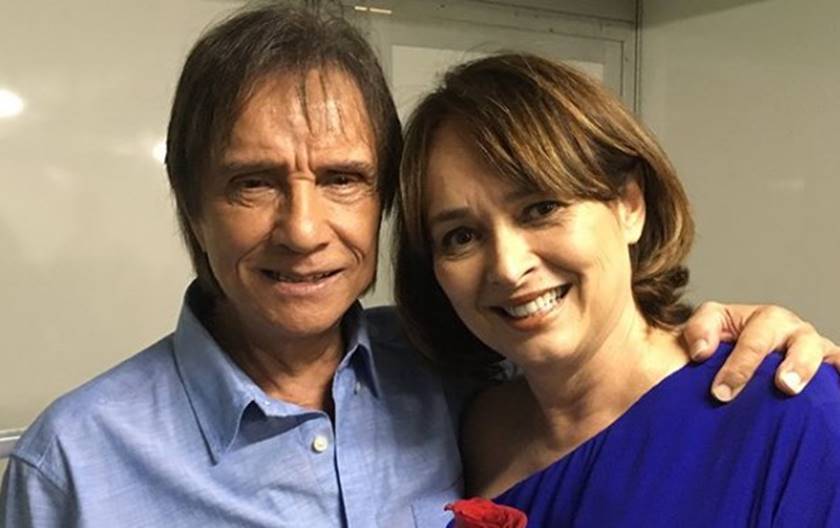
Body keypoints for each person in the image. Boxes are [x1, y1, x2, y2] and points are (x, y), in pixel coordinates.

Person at [0, 4, 836, 527]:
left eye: (343, 179)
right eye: (253, 183)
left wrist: (764, 339)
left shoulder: (451, 374)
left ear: (629, 204)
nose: (303, 230)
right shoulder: (74, 465)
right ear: (191, 202)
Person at [394, 53, 840, 526]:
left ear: (630, 204)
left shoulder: (791, 414)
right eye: (461, 236)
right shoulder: (469, 432)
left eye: (541, 208)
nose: (507, 268)